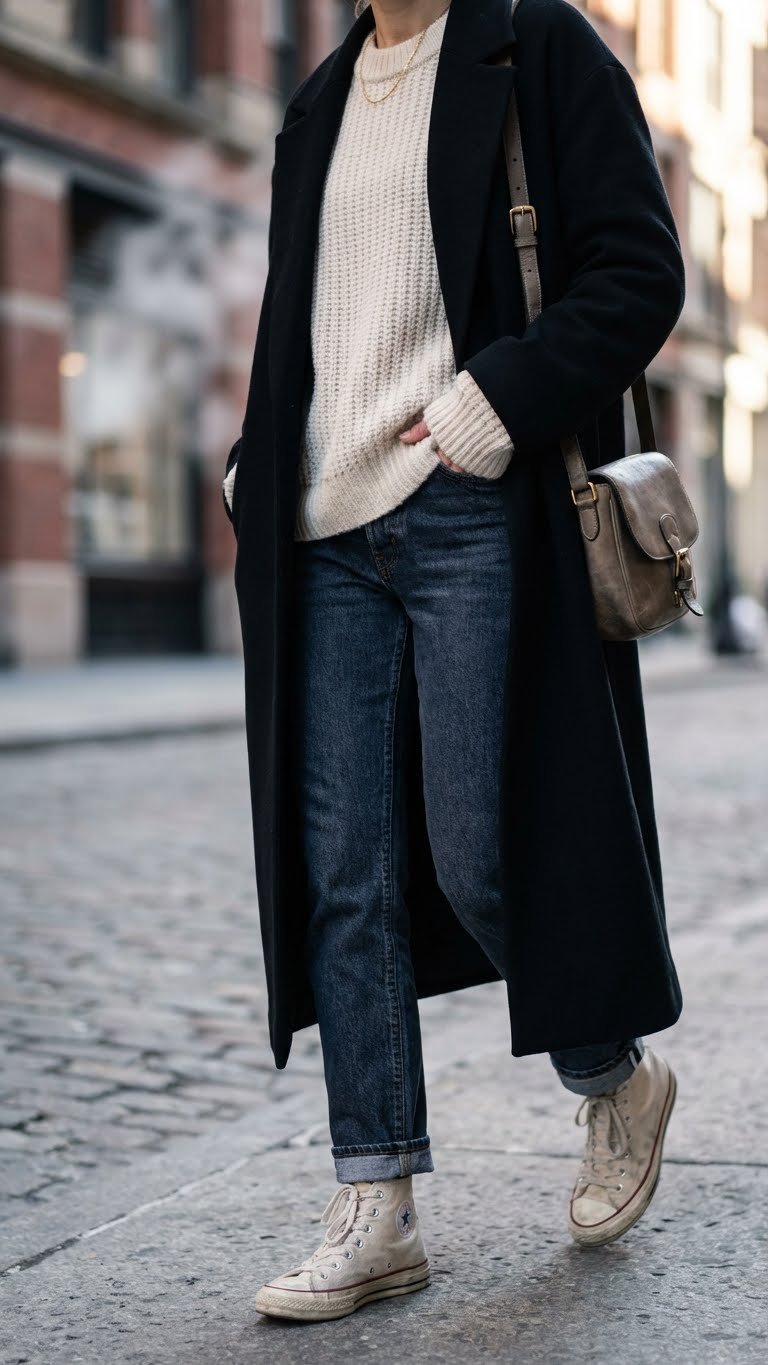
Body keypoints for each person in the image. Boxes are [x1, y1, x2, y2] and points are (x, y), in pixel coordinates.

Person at [222, 0, 684, 1323]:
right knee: (344, 879)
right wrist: (260, 455)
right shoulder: (317, 101)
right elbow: (304, 319)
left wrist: (495, 403)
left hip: (469, 505)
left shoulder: (541, 49)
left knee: (486, 843)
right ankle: (378, 1202)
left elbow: (637, 272)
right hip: (320, 534)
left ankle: (615, 1079)